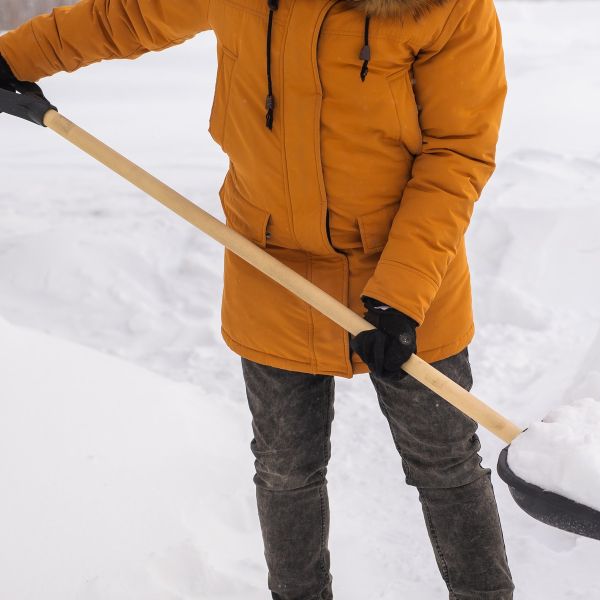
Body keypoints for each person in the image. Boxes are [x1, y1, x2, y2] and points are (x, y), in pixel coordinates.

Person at [0, 0, 513, 597]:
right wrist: (11, 56)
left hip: (405, 268)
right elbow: (129, 17)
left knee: (446, 463)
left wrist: (401, 295)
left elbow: (458, 153)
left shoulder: (449, 9)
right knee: (284, 470)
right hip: (267, 264)